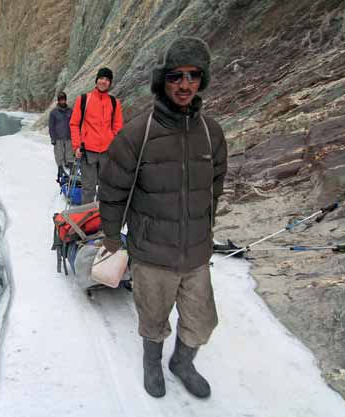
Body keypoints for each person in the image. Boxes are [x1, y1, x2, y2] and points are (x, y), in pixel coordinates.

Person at [98, 37, 228, 399]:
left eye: (193, 76)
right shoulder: (138, 134)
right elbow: (111, 190)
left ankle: (182, 363)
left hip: (196, 253)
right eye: (176, 76)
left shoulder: (211, 133)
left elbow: (214, 187)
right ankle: (152, 363)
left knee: (201, 321)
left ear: (202, 80)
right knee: (153, 319)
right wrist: (111, 236)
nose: (185, 85)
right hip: (152, 252)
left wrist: (206, 228)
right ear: (163, 80)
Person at [69, 67, 124, 203]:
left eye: (107, 79)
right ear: (96, 80)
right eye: (101, 78)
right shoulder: (83, 100)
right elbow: (74, 124)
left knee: (105, 188)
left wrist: (114, 142)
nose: (103, 82)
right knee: (88, 189)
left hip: (107, 152)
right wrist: (76, 146)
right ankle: (86, 220)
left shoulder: (114, 102)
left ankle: (101, 218)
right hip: (88, 152)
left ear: (110, 83)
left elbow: (118, 126)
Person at [48, 91, 74, 180]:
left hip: (69, 137)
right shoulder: (53, 112)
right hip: (58, 138)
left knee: (69, 154)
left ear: (66, 100)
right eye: (61, 100)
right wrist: (53, 138)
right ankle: (60, 169)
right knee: (59, 155)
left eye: (64, 99)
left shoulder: (70, 111)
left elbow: (74, 123)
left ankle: (71, 169)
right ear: (58, 101)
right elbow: (51, 126)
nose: (62, 101)